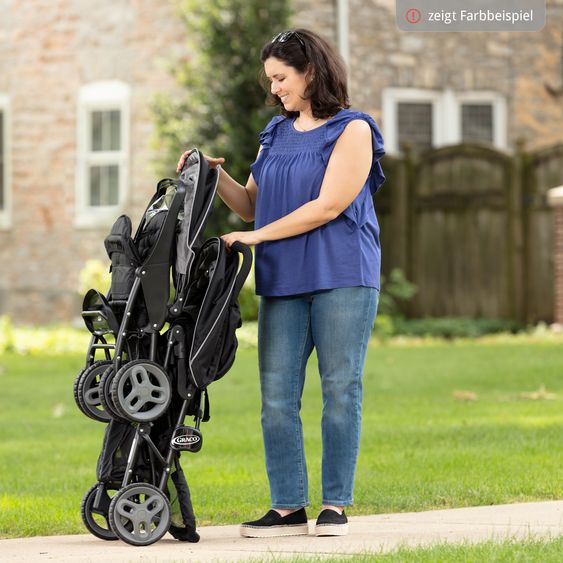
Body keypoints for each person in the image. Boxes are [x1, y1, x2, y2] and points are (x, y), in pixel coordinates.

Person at [177, 28, 385, 538]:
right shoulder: (275, 133)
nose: (274, 89)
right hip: (284, 278)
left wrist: (254, 239)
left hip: (342, 275)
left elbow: (329, 205)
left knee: (340, 389)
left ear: (310, 71)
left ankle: (335, 504)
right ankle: (288, 507)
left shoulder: (353, 130)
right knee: (276, 397)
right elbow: (251, 205)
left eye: (280, 78)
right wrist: (211, 174)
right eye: (270, 80)